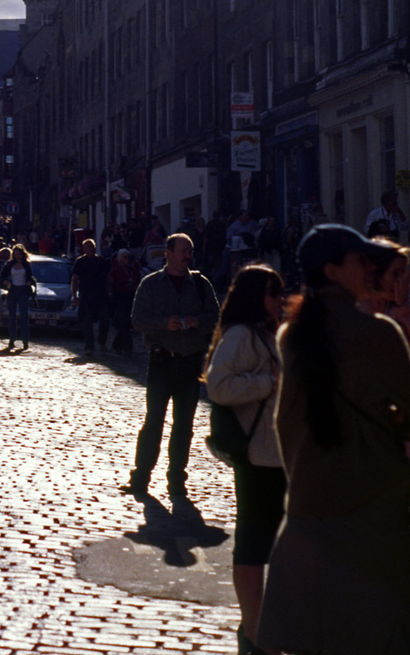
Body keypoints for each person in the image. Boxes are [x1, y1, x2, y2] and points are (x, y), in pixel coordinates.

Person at [258, 224, 410, 655]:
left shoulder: (293, 336)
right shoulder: (379, 334)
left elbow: (287, 423)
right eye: (357, 260)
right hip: (372, 516)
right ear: (333, 271)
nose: (367, 267)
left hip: (308, 514)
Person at [205, 266, 284, 655]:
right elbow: (218, 385)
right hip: (257, 456)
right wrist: (267, 383)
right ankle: (251, 631)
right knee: (253, 542)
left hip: (279, 456)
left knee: (278, 544)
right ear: (256, 295)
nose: (280, 299)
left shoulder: (267, 334)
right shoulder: (240, 336)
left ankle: (263, 628)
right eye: (273, 292)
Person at [125, 233, 219, 498]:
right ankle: (140, 477)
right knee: (153, 421)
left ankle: (177, 480)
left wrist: (198, 322)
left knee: (184, 426)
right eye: (182, 250)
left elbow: (216, 318)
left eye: (190, 250)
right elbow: (138, 320)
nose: (187, 255)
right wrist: (164, 323)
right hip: (161, 361)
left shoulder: (201, 285)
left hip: (191, 363)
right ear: (168, 253)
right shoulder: (151, 284)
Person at [71, 238, 110, 353]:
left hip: (101, 295)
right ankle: (89, 345)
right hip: (86, 296)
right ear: (84, 249)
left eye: (91, 246)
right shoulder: (80, 262)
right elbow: (75, 279)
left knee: (105, 320)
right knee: (87, 321)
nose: (90, 249)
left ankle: (102, 341)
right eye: (87, 246)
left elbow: (108, 277)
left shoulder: (101, 261)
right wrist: (75, 296)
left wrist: (110, 291)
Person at [0, 244, 34, 351]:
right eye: (16, 254)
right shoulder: (9, 264)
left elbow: (30, 277)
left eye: (20, 254)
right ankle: (12, 340)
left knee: (24, 317)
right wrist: (5, 281)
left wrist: (29, 282)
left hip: (23, 291)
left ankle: (25, 341)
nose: (18, 256)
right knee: (12, 317)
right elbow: (2, 276)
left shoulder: (26, 265)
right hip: (13, 290)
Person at [109, 249, 141, 354]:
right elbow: (112, 285)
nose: (127, 260)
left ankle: (117, 345)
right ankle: (128, 347)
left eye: (128, 258)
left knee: (126, 323)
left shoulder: (132, 270)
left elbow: (137, 281)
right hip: (119, 299)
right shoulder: (115, 271)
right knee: (123, 323)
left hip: (130, 298)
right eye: (125, 258)